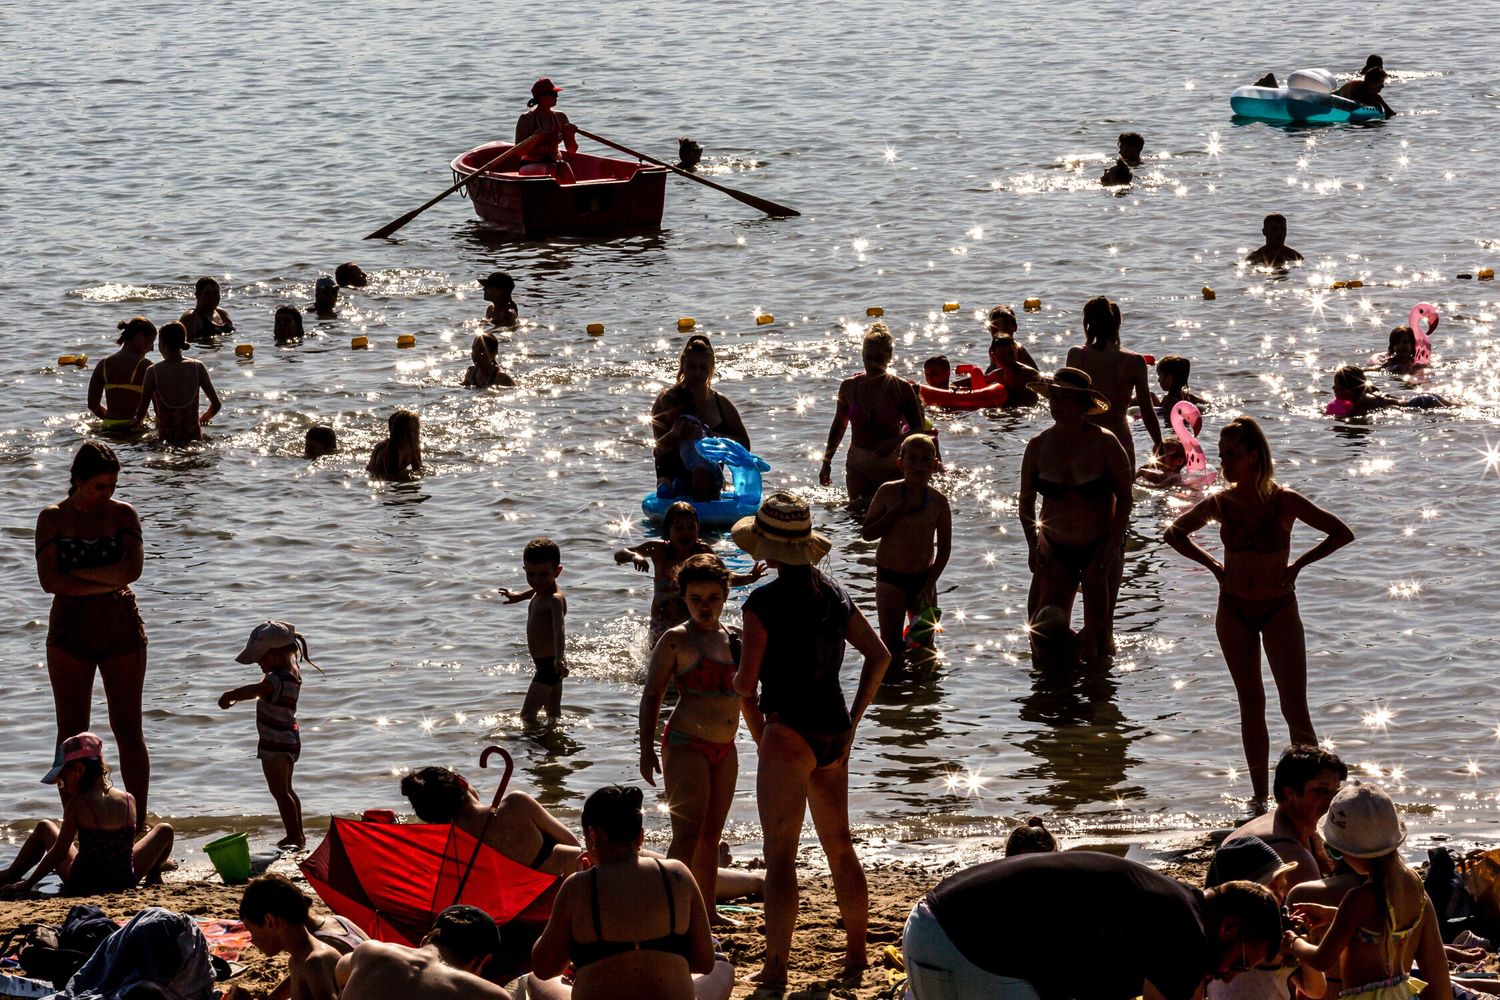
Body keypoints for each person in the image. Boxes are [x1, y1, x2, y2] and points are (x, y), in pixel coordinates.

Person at [731, 492, 891, 985]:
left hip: (788, 731)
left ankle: (776, 967)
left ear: (768, 549)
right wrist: (856, 721)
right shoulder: (834, 594)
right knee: (839, 847)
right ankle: (858, 954)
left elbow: (745, 685)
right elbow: (879, 655)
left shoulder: (761, 602)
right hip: (832, 732)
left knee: (780, 855)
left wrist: (759, 730)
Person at [1166, 417, 1354, 802]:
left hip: (1278, 608)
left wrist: (1298, 564)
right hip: (1233, 609)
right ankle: (1258, 798)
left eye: (1232, 455)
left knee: (1293, 706)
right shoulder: (1221, 502)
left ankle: (1313, 795)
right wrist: (1214, 567)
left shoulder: (1283, 499)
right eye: (1222, 455)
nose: (1225, 463)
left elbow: (1341, 533)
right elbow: (1174, 533)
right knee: (1250, 704)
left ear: (1254, 455)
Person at [903, 851, 1282, 1000]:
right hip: (963, 947)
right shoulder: (1186, 933)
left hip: (931, 926)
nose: (1232, 977)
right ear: (1229, 927)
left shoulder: (1175, 899)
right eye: (1241, 962)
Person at [35, 442, 152, 822]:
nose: (108, 494)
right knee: (70, 735)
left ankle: (134, 827)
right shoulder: (51, 519)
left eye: (113, 485)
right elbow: (50, 581)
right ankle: (77, 825)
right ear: (78, 481)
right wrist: (104, 581)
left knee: (128, 731)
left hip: (121, 629)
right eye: (100, 486)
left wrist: (79, 578)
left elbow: (131, 571)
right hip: (70, 633)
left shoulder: (123, 515)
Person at [529, 785, 732, 1000]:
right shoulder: (677, 874)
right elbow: (705, 963)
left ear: (593, 834)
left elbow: (544, 968)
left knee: (532, 979)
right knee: (723, 968)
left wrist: (582, 889)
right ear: (640, 836)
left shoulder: (576, 887)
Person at [639, 554, 745, 910]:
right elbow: (651, 696)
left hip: (725, 748)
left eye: (713, 598)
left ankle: (707, 912)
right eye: (696, 599)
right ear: (683, 597)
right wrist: (646, 749)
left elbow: (751, 696)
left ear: (726, 595)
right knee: (686, 835)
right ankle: (667, 910)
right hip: (686, 744)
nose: (705, 606)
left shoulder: (735, 639)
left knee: (712, 835)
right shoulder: (676, 640)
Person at [1282, 783, 1449, 1000]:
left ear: (1351, 852)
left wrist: (1293, 942)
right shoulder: (1414, 887)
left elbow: (1321, 959)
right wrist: (1334, 915)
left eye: (1335, 851)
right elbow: (1380, 924)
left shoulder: (1358, 899)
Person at [1018, 368, 1133, 661]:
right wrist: (1033, 546)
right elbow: (1026, 501)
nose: (1057, 404)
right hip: (1055, 548)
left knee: (1099, 635)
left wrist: (1113, 545)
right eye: (1053, 397)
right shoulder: (1038, 446)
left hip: (1100, 546)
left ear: (1084, 405)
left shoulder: (1106, 443)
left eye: (1065, 398)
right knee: (1044, 628)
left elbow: (1125, 497)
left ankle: (1100, 695)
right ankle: (1052, 695)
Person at [0, 732, 173, 897]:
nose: (62, 786)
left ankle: (12, 874)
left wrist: (29, 883)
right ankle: (154, 873)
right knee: (165, 830)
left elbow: (59, 852)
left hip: (83, 882)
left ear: (79, 770)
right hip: (125, 879)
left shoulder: (77, 804)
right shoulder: (129, 799)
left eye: (62, 779)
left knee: (45, 826)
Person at [219, 620, 322, 849]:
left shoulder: (275, 678)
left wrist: (232, 695)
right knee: (287, 790)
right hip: (289, 739)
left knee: (279, 791)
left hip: (275, 741)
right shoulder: (292, 673)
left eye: (260, 658)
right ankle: (298, 834)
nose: (257, 663)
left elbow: (258, 690)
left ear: (275, 655)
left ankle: (294, 835)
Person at [861, 434, 951, 674]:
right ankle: (893, 694)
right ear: (900, 463)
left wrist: (929, 583)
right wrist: (894, 513)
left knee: (924, 646)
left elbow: (944, 551)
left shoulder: (939, 503)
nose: (919, 464)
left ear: (935, 465)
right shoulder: (888, 492)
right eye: (912, 458)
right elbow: (867, 533)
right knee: (891, 647)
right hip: (890, 578)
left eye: (925, 459)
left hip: (923, 579)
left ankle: (921, 701)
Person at [616, 501, 765, 645]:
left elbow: (721, 577)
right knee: (659, 660)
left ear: (698, 528)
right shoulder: (658, 550)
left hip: (693, 623)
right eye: (678, 528)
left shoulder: (702, 551)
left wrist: (749, 578)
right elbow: (620, 554)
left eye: (690, 527)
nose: (685, 533)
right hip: (661, 624)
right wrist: (635, 556)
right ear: (668, 530)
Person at [820, 323, 925, 512]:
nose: (874, 364)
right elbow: (839, 426)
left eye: (879, 359)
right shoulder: (849, 387)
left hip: (892, 462)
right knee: (858, 517)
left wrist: (895, 441)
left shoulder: (901, 388)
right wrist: (826, 461)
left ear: (889, 359)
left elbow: (919, 429)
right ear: (862, 356)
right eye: (869, 358)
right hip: (858, 462)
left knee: (890, 516)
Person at [1205, 836, 1327, 1000]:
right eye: (1269, 890)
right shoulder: (1215, 942)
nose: (1278, 895)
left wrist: (1302, 943)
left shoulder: (1283, 936)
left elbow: (1316, 990)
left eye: (1281, 888)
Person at [1224, 746, 1349, 891]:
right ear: (1290, 793)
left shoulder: (1301, 828)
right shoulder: (1292, 856)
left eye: (1336, 790)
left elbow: (1332, 867)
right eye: (1321, 790)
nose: (1333, 800)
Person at [1067, 295, 1163, 474]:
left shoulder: (1075, 356)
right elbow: (1147, 410)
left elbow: (1067, 403)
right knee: (1125, 498)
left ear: (1088, 325)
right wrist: (1159, 444)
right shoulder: (1135, 361)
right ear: (1117, 325)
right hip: (1120, 440)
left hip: (1084, 440)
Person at [652, 335, 751, 501]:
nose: (697, 373)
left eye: (703, 368)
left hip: (709, 483)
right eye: (692, 366)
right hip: (673, 482)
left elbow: (745, 445)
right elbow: (658, 450)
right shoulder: (666, 401)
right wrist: (676, 433)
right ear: (682, 365)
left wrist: (711, 436)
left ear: (711, 368)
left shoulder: (721, 404)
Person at [337, 905, 510, 1000]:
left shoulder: (369, 951)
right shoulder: (490, 996)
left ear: (425, 939)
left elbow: (341, 973)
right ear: (482, 961)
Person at [234, 874, 342, 1000]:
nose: (251, 940)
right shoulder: (298, 959)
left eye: (251, 930)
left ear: (270, 921)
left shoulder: (314, 962)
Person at [499, 537, 569, 724]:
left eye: (544, 574)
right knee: (553, 713)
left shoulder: (554, 599)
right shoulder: (542, 591)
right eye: (531, 574)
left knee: (527, 715)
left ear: (557, 571)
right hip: (550, 665)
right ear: (524, 569)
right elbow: (535, 590)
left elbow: (559, 628)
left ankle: (532, 745)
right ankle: (552, 748)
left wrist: (560, 658)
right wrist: (518, 596)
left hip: (549, 666)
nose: (536, 581)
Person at [133, 320, 222, 443]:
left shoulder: (153, 371)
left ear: (163, 344)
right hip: (193, 438)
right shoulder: (197, 367)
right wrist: (202, 420)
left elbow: (140, 414)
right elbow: (216, 405)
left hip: (166, 440)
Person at [88, 317, 155, 430]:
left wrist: (114, 422)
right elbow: (159, 408)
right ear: (139, 337)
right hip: (134, 429)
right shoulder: (146, 366)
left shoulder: (103, 364)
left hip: (109, 426)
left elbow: (93, 406)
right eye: (151, 342)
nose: (152, 349)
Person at [515, 77, 578, 182]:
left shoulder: (561, 117)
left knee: (565, 168)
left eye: (556, 94)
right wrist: (534, 138)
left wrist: (570, 135)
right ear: (540, 97)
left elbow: (572, 150)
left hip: (555, 162)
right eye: (553, 94)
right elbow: (518, 152)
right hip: (530, 164)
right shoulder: (526, 119)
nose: (556, 97)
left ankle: (571, 196)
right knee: (550, 169)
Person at [1330, 366, 1449, 417]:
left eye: (1337, 386)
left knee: (1454, 412)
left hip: (1421, 403)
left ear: (1349, 390)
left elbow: (1350, 415)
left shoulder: (1363, 400)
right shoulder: (1366, 395)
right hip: (1424, 399)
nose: (1333, 389)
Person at [984, 333, 1041, 407]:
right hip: (1008, 410)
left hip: (1026, 411)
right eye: (1002, 355)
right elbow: (979, 379)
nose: (1007, 358)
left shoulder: (1029, 374)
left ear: (1016, 351)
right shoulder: (996, 375)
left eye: (1010, 353)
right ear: (993, 356)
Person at [367, 408, 422, 480]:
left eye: (417, 428)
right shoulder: (386, 451)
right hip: (376, 476)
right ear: (400, 432)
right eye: (412, 429)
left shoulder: (413, 446)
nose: (417, 433)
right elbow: (387, 477)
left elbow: (418, 469)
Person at [1155, 354, 1210, 418]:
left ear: (1169, 378)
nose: (1158, 380)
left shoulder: (1168, 400)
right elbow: (1208, 404)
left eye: (1160, 376)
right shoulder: (1188, 396)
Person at [182, 275, 234, 342]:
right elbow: (186, 345)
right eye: (208, 293)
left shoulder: (222, 313)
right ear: (197, 295)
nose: (213, 296)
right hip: (205, 351)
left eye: (216, 293)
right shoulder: (191, 317)